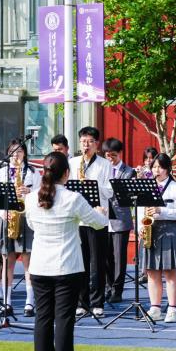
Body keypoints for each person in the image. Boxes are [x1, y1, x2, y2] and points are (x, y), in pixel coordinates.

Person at [24, 151, 108, 351]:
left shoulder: (30, 198)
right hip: (66, 267)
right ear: (66, 173)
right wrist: (101, 212)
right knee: (63, 320)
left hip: (39, 266)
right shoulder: (73, 198)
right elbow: (98, 224)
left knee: (43, 318)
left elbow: (32, 224)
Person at [68, 127, 113, 318]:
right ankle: (81, 302)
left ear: (97, 144)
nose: (86, 145)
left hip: (97, 219)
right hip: (78, 219)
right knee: (80, 262)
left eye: (90, 141)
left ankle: (97, 302)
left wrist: (92, 184)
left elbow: (110, 191)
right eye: (83, 141)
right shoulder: (73, 162)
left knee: (98, 263)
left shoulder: (105, 164)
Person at [137, 152, 176, 323]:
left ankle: (172, 308)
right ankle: (155, 308)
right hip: (150, 230)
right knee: (151, 272)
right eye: (154, 167)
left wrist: (161, 210)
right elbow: (140, 209)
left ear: (168, 169)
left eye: (160, 167)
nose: (156, 170)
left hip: (169, 230)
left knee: (170, 272)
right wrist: (140, 227)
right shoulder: (147, 186)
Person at [0, 139, 41, 316]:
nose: (16, 155)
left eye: (19, 151)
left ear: (25, 154)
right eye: (12, 152)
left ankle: (30, 302)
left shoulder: (33, 172)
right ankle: (7, 302)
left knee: (29, 262)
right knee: (8, 261)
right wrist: (2, 213)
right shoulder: (1, 172)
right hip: (8, 219)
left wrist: (30, 192)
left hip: (26, 218)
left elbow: (42, 195)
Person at [103, 138, 135, 305]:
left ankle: (117, 290)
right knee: (106, 257)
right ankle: (108, 287)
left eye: (113, 155)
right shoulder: (102, 169)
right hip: (103, 217)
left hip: (120, 218)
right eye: (107, 155)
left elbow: (123, 195)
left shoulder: (129, 171)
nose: (110, 159)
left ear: (120, 154)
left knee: (119, 257)